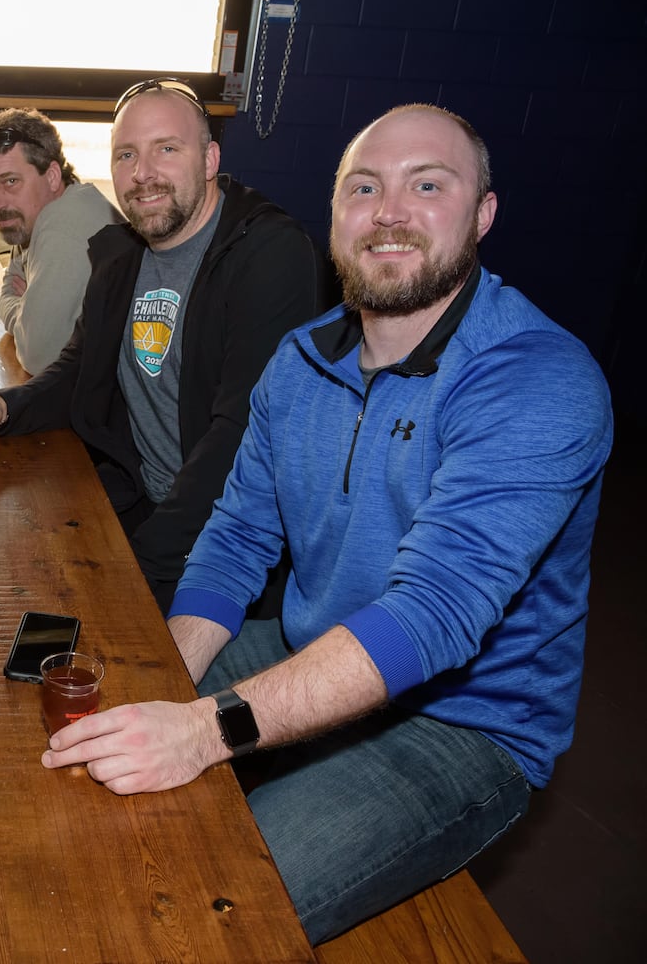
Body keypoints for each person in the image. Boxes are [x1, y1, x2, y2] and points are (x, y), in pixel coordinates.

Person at [41, 105, 613, 944]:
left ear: (482, 214)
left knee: (205, 906)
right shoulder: (303, 356)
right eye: (363, 188)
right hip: (312, 644)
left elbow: (432, 618)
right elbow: (237, 538)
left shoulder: (537, 379)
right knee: (90, 740)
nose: (389, 211)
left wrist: (204, 727)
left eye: (428, 185)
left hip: (461, 724)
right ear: (336, 214)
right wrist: (173, 675)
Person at [0, 79, 321, 609]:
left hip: (228, 544)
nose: (143, 174)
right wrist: (0, 405)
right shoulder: (122, 255)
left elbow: (241, 437)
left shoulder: (269, 256)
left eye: (166, 149)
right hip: (141, 501)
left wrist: (134, 567)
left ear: (209, 159)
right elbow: (76, 367)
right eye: (126, 155)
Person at [0, 107, 122, 374]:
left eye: (10, 181)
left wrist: (18, 308)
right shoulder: (33, 214)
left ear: (51, 176)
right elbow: (10, 281)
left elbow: (38, 357)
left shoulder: (63, 225)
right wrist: (25, 309)